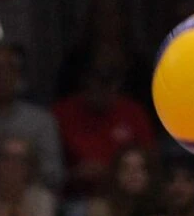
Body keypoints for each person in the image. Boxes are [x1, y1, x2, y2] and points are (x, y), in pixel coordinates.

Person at [0, 44, 64, 193]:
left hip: (31, 196)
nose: (1, 76)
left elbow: (54, 174)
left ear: (17, 75)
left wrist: (24, 165)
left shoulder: (41, 121)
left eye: (7, 69)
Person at [52, 60, 152, 201]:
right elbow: (50, 168)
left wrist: (112, 172)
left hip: (125, 194)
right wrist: (74, 174)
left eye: (109, 81)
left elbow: (150, 160)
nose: (102, 87)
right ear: (85, 81)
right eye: (97, 80)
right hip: (75, 196)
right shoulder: (62, 113)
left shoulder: (133, 112)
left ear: (118, 83)